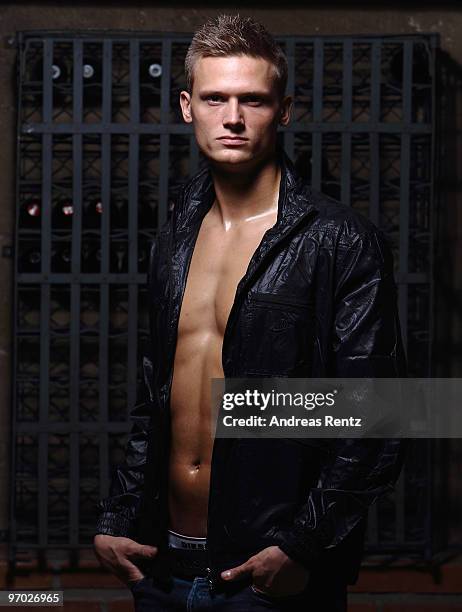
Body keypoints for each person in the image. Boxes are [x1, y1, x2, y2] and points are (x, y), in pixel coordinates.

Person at [93, 14, 408, 611]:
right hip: (160, 563)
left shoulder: (340, 240)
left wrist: (303, 546)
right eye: (215, 98)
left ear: (284, 110)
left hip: (267, 573)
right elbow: (154, 394)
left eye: (252, 100)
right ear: (188, 106)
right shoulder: (175, 233)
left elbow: (381, 417)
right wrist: (117, 516)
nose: (232, 118)